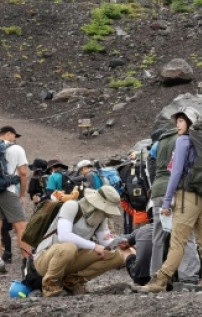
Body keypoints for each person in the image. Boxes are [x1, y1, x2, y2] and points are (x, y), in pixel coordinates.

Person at [135, 108, 202, 292]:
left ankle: (160, 280)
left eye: (181, 120)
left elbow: (176, 172)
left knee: (178, 241)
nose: (177, 124)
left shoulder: (183, 141)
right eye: (178, 120)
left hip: (187, 197)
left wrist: (166, 202)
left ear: (190, 123)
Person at [33, 186, 131, 296]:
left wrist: (120, 243)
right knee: (69, 247)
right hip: (45, 259)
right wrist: (93, 246)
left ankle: (72, 281)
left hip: (71, 259)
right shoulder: (72, 206)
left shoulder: (100, 217)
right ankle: (50, 283)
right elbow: (64, 236)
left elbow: (106, 241)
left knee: (116, 255)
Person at [146, 126, 200, 286]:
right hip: (178, 190)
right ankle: (188, 276)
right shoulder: (184, 140)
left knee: (158, 236)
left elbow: (151, 170)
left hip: (158, 190)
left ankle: (156, 275)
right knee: (186, 234)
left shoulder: (158, 143)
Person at [0, 125, 29, 265]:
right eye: (15, 136)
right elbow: (23, 173)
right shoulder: (16, 149)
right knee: (21, 227)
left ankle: (0, 262)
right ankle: (27, 261)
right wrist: (22, 194)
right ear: (8, 134)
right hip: (8, 191)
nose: (15, 139)